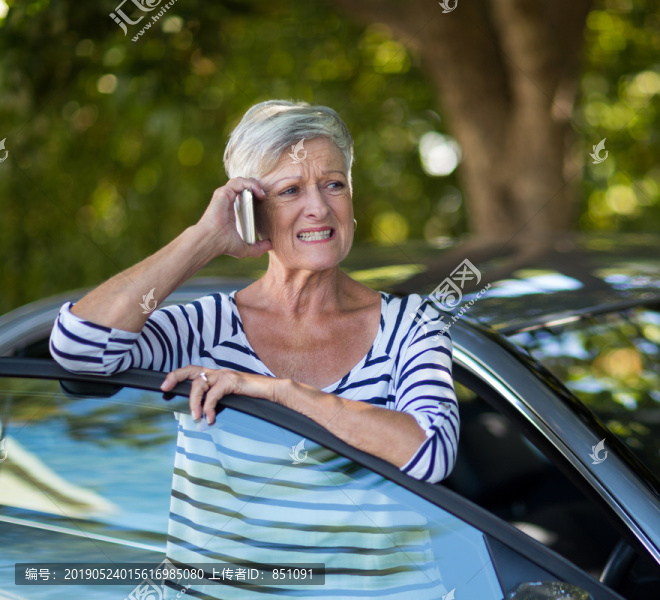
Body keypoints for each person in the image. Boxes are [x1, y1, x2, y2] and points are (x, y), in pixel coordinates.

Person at [49, 100, 459, 599]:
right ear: (251, 210)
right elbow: (79, 349)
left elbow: (430, 452)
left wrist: (277, 392)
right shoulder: (208, 327)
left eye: (334, 184)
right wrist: (205, 239)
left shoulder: (410, 324)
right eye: (290, 191)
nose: (320, 208)